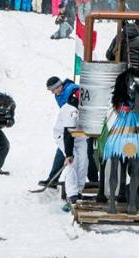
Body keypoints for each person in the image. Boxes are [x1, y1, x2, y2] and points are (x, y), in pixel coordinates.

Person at [46, 77, 88, 209]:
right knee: (72, 163)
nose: (53, 93)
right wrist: (69, 154)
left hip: (80, 135)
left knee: (83, 162)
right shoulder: (69, 110)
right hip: (64, 134)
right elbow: (67, 133)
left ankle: (79, 192)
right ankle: (72, 195)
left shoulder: (86, 106)